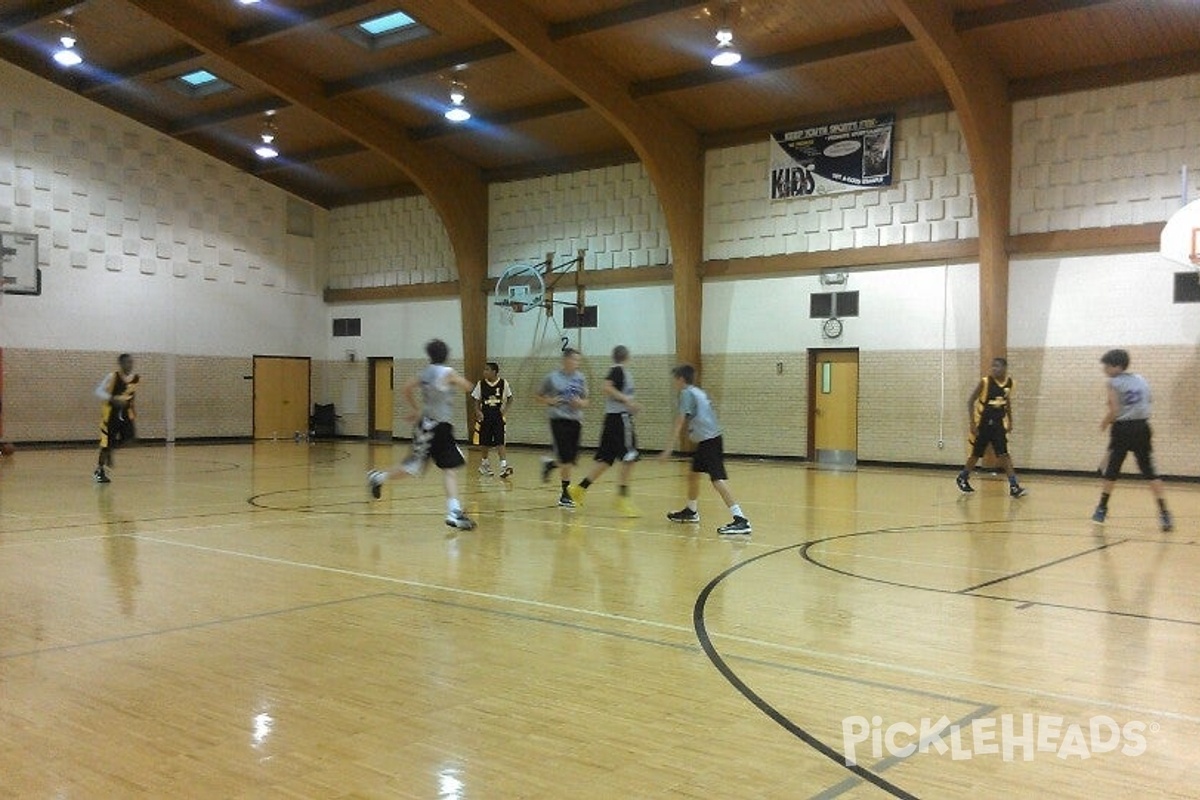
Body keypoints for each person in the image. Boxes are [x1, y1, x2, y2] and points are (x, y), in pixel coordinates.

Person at [367, 339, 477, 530]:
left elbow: (406, 388)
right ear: (446, 354)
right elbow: (469, 386)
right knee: (416, 468)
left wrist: (417, 408)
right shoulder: (448, 372)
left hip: (437, 426)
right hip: (431, 427)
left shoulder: (425, 373)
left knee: (449, 467)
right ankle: (377, 477)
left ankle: (454, 512)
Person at [657, 364, 751, 535]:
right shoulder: (698, 392)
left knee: (717, 480)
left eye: (675, 380)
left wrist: (668, 448)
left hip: (709, 440)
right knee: (693, 475)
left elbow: (679, 421)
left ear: (680, 379)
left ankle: (741, 519)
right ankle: (691, 510)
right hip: (708, 440)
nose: (674, 384)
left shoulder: (686, 393)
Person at [1092, 349, 1173, 531]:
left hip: (1123, 428)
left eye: (1107, 365)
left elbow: (1114, 411)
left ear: (1117, 366)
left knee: (1112, 471)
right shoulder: (1141, 379)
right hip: (1142, 427)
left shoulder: (1113, 382)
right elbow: (1148, 401)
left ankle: (1102, 508)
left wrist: (1104, 423)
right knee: (1150, 471)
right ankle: (1164, 513)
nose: (1104, 369)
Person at [567, 345, 640, 517]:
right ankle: (622, 499)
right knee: (630, 458)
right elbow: (606, 387)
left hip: (612, 421)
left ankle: (579, 489)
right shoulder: (618, 371)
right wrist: (626, 401)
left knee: (606, 460)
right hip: (620, 420)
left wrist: (628, 404)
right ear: (627, 357)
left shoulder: (619, 372)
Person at [955, 357, 1028, 497]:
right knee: (975, 454)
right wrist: (972, 423)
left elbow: (1007, 403)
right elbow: (970, 401)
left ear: (1005, 368)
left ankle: (1014, 486)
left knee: (1004, 455)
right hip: (982, 424)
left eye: (998, 366)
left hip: (998, 425)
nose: (994, 369)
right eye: (993, 366)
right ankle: (963, 477)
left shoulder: (1010, 384)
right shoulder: (985, 382)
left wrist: (1011, 421)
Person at [537, 348, 588, 507]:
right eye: (574, 359)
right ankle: (565, 494)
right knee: (566, 458)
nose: (577, 363)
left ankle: (550, 464)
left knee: (571, 460)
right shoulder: (552, 377)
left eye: (578, 360)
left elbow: (587, 401)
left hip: (576, 420)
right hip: (558, 420)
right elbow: (538, 396)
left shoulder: (580, 378)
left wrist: (581, 403)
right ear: (566, 360)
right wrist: (550, 401)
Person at [93, 353, 139, 483]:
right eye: (127, 362)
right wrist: (112, 399)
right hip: (110, 414)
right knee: (105, 444)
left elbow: (131, 395)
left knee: (130, 439)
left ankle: (111, 449)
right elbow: (98, 391)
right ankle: (99, 471)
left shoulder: (135, 378)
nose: (130, 365)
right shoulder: (112, 376)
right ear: (121, 364)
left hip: (125, 414)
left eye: (131, 362)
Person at [471, 361, 513, 478]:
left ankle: (504, 466)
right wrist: (478, 411)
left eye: (487, 369)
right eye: (484, 369)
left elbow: (510, 398)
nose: (484, 372)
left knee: (500, 441)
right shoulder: (481, 384)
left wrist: (504, 411)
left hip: (497, 416)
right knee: (485, 442)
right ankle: (484, 464)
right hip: (485, 416)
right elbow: (476, 400)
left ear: (494, 372)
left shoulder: (504, 383)